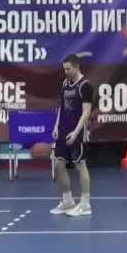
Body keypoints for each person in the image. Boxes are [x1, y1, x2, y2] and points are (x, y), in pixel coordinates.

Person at [51, 55, 95, 216]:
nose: (66, 71)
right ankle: (67, 201)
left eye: (68, 69)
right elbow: (62, 107)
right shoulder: (65, 83)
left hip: (77, 131)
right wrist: (56, 126)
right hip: (63, 130)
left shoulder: (85, 85)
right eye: (64, 69)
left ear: (76, 67)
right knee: (58, 165)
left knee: (80, 165)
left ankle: (85, 204)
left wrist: (76, 132)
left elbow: (86, 112)